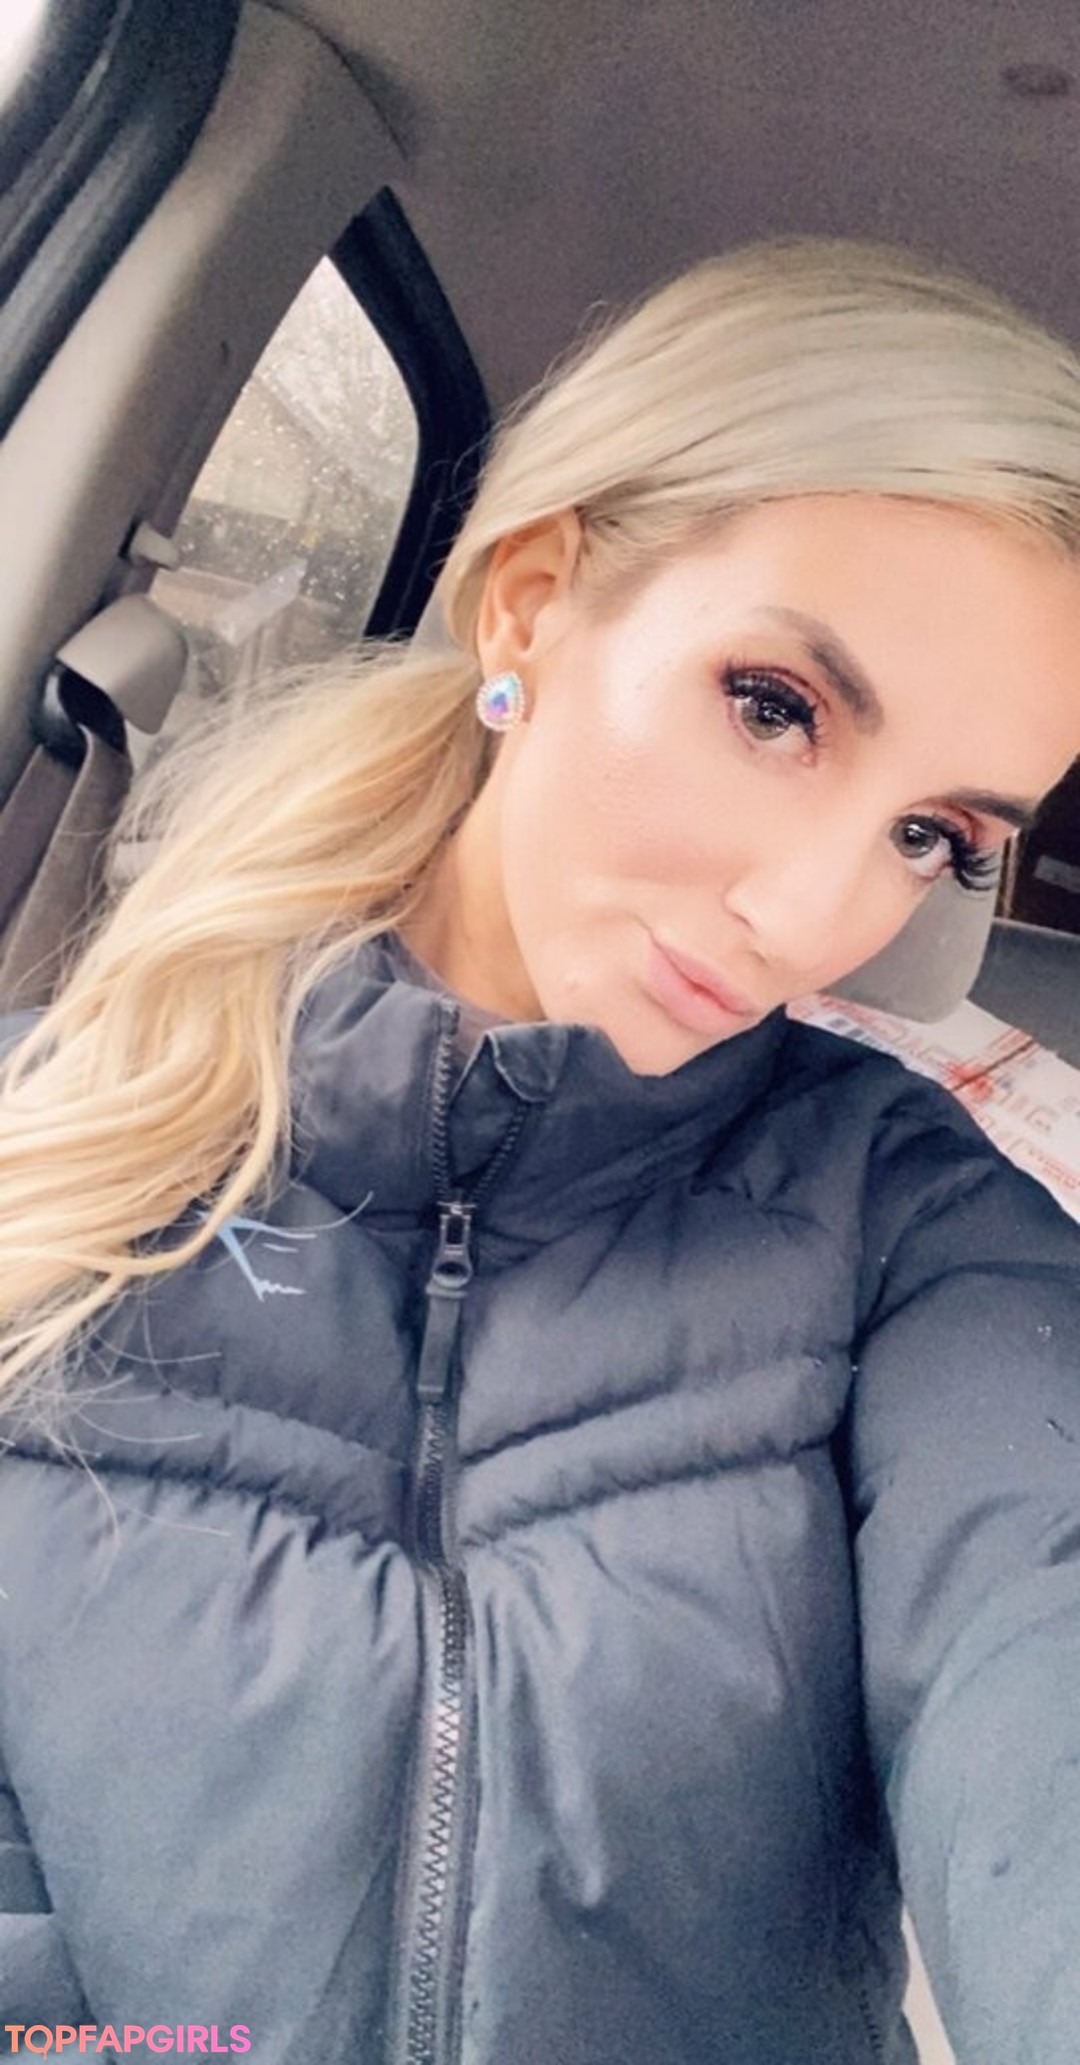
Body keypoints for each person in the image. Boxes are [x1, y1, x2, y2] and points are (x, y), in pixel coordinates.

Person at [0, 237, 1079, 2065]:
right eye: (777, 709)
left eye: (933, 834)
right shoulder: (46, 1141)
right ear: (530, 603)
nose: (809, 915)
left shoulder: (912, 1222)